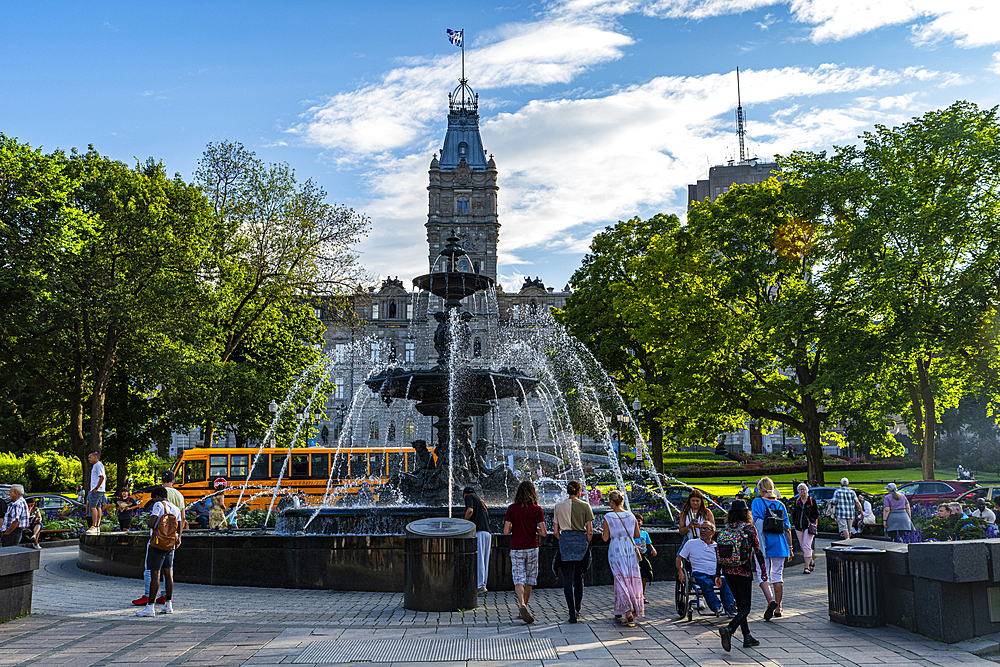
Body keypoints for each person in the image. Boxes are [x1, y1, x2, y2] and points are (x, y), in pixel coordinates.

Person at [718, 499, 767, 652]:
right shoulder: (749, 529)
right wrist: (764, 571)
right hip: (743, 571)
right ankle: (730, 629)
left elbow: (719, 553)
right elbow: (758, 551)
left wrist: (718, 573)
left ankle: (747, 637)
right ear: (746, 513)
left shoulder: (726, 529)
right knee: (745, 608)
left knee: (740, 605)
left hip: (728, 571)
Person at [503, 480, 547, 624]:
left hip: (516, 547)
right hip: (532, 547)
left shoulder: (511, 508)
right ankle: (525, 608)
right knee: (529, 580)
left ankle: (521, 604)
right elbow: (544, 533)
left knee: (518, 578)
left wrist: (513, 528)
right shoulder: (537, 509)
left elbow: (505, 531)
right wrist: (535, 529)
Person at [136, 486, 182, 617]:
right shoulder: (175, 508)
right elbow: (180, 524)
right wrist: (179, 538)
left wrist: (148, 523)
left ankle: (150, 607)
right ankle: (168, 604)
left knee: (155, 574)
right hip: (170, 544)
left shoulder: (158, 505)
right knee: (168, 573)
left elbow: (152, 523)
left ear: (157, 497)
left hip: (157, 543)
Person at [553, 479, 594, 624]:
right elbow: (590, 531)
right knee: (579, 577)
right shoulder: (585, 506)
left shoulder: (558, 506)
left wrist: (563, 540)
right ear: (579, 491)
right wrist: (585, 543)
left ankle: (571, 613)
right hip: (580, 541)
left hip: (565, 541)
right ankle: (578, 608)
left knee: (567, 579)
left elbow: (555, 531)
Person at [751, 477, 791, 619]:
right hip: (780, 543)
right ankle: (778, 607)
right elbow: (787, 528)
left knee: (763, 573)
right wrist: (790, 548)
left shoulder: (757, 502)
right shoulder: (781, 505)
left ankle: (770, 601)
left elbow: (753, 522)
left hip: (763, 543)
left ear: (760, 489)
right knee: (777, 575)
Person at [602, 490, 643, 625]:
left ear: (612, 502)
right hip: (629, 550)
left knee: (620, 579)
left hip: (616, 549)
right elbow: (637, 535)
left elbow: (605, 538)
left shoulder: (608, 516)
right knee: (630, 579)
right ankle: (620, 610)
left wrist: (604, 532)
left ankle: (628, 610)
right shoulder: (631, 516)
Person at [676, 524, 736, 616]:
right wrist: (680, 571)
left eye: (706, 529)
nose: (703, 530)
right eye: (701, 528)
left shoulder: (717, 546)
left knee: (726, 582)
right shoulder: (691, 543)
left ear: (713, 532)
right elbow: (679, 558)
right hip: (699, 573)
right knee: (706, 583)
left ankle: (730, 607)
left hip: (716, 574)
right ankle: (716, 606)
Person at [463, 486, 491, 595]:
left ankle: (480, 585)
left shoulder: (469, 496)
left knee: (479, 558)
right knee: (485, 559)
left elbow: (470, 511)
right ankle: (483, 584)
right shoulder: (481, 500)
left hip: (479, 531)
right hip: (488, 532)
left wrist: (464, 523)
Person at [791, 483, 819, 573]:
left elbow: (816, 513)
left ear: (807, 491)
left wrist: (811, 520)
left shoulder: (811, 501)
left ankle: (806, 567)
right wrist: (794, 522)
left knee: (806, 546)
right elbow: (794, 513)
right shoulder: (797, 501)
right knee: (802, 547)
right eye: (800, 489)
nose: (802, 491)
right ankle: (811, 561)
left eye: (803, 489)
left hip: (809, 526)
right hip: (799, 527)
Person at [634, 513, 657, 602]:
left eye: (639, 521)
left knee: (644, 576)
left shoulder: (644, 533)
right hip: (634, 557)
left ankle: (642, 596)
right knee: (635, 577)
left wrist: (653, 549)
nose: (637, 523)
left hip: (643, 556)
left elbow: (648, 543)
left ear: (642, 522)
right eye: (635, 521)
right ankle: (635, 596)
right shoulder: (630, 533)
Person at [86, 451, 107, 535]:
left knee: (92, 507)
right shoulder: (99, 465)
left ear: (95, 457)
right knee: (98, 507)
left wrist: (96, 488)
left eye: (90, 457)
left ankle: (94, 526)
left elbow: (101, 477)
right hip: (100, 490)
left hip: (97, 490)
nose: (89, 459)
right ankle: (97, 526)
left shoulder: (97, 465)